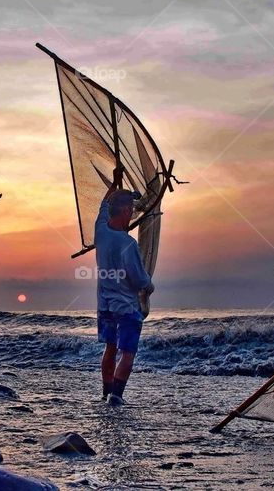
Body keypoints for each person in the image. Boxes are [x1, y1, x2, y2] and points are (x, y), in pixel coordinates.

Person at [96, 167, 155, 406]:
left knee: (111, 348)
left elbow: (103, 204)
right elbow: (140, 280)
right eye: (131, 209)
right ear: (125, 211)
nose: (133, 213)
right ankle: (116, 396)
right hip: (126, 306)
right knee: (128, 352)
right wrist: (150, 286)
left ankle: (105, 392)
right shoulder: (128, 245)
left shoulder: (100, 230)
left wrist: (115, 181)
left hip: (104, 305)